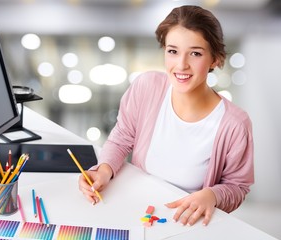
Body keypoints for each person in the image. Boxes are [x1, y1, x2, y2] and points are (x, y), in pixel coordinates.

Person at [78, 5, 254, 227]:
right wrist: (103, 170)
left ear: (215, 59)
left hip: (188, 224)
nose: (181, 65)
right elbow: (122, 137)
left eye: (196, 53)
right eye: (173, 51)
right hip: (139, 212)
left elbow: (237, 187)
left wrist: (212, 195)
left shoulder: (235, 123)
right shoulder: (146, 86)